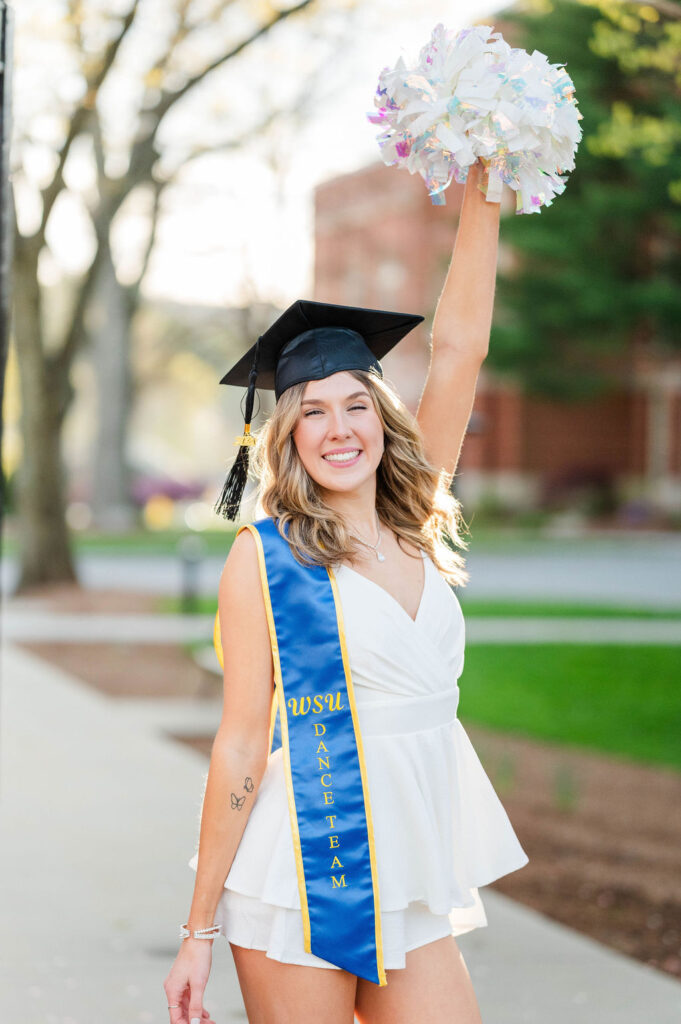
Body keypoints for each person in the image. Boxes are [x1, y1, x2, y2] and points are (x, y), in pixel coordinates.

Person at [163, 159, 529, 1024]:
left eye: (355, 405)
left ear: (381, 415)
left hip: (408, 872)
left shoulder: (413, 515)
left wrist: (485, 184)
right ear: (287, 434)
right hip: (302, 877)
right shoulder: (267, 559)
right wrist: (198, 929)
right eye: (314, 412)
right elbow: (242, 746)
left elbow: (461, 346)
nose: (338, 429)